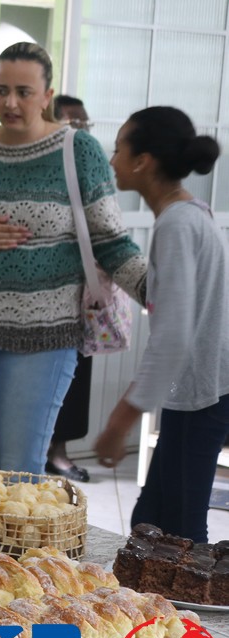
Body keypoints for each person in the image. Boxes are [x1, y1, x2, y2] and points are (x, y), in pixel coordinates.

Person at [0, 42, 145, 474]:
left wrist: (158, 290)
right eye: (0, 90)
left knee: (20, 471)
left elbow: (111, 242)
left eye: (23, 92)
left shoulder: (78, 150)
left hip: (45, 338)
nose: (10, 103)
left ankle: (24, 525)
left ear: (47, 96)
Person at [94, 107, 227, 543]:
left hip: (201, 394)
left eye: (119, 149)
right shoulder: (190, 213)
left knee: (181, 534)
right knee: (151, 521)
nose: (113, 160)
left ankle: (191, 594)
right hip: (196, 390)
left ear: (142, 161)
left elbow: (172, 336)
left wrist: (121, 420)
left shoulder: (177, 223)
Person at [45, 94, 94, 483]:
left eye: (85, 125)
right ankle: (40, 453)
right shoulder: (44, 170)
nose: (82, 132)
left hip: (84, 297)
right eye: (73, 124)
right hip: (43, 303)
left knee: (78, 378)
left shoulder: (91, 169)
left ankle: (59, 453)